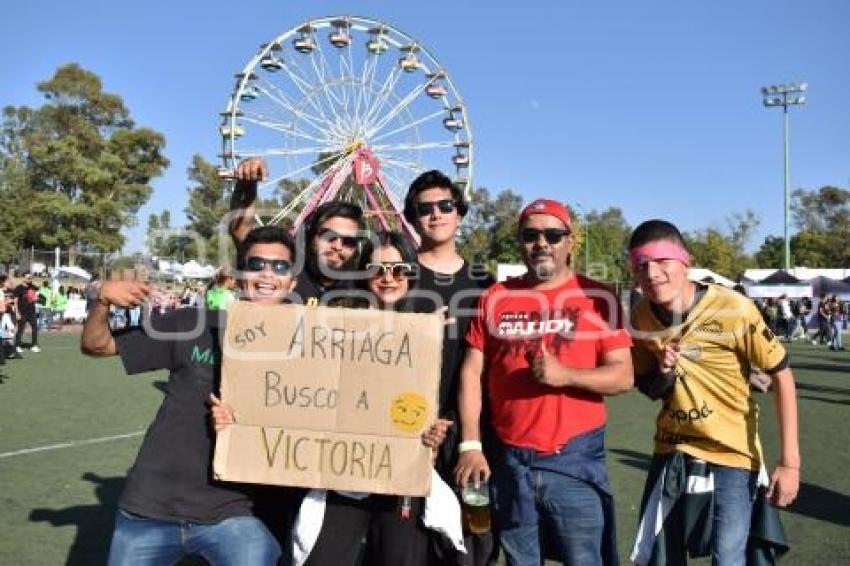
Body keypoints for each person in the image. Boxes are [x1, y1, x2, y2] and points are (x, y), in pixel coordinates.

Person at [211, 230, 453, 566]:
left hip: (399, 477)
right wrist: (238, 412)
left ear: (411, 275)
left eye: (399, 270)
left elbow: (431, 406)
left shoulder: (431, 330)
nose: (388, 278)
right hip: (340, 477)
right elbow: (289, 390)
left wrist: (431, 434)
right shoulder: (330, 322)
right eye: (377, 269)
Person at [81, 225, 301, 565]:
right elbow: (96, 345)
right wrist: (102, 300)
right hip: (151, 505)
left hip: (236, 513)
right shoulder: (192, 322)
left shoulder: (306, 351)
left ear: (293, 282)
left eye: (280, 266)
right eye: (256, 265)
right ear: (239, 277)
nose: (267, 274)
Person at [455, 199, 634, 566]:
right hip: (508, 458)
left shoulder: (598, 297)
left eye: (553, 234)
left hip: (573, 457)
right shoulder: (496, 296)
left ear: (570, 242)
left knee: (585, 558)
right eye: (531, 234)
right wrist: (471, 444)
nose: (542, 243)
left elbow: (623, 376)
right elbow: (472, 372)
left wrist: (566, 375)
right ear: (520, 242)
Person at [626, 220, 799, 566]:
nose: (652, 273)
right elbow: (650, 387)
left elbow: (782, 376)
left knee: (729, 559)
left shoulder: (734, 308)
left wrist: (790, 463)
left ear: (685, 261)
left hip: (731, 453)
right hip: (671, 448)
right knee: (663, 559)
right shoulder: (641, 315)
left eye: (662, 261)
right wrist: (663, 370)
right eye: (641, 265)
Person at [402, 169, 495, 566]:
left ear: (459, 214)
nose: (436, 214)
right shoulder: (397, 276)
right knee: (407, 541)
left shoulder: (485, 284)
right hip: (406, 422)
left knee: (473, 540)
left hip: (468, 430)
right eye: (425, 209)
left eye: (445, 206)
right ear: (413, 217)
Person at [229, 158, 364, 305]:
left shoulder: (362, 287)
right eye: (329, 236)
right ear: (312, 234)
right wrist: (248, 185)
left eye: (349, 241)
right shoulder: (285, 267)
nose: (338, 246)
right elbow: (241, 230)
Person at [14, 272, 41, 353]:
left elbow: (38, 293)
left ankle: (34, 345)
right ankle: (17, 345)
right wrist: (17, 312)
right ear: (23, 278)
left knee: (35, 328)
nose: (30, 279)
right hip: (22, 312)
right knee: (20, 329)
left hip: (32, 312)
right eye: (28, 278)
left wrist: (37, 298)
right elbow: (15, 301)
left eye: (31, 278)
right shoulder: (18, 288)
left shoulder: (33, 287)